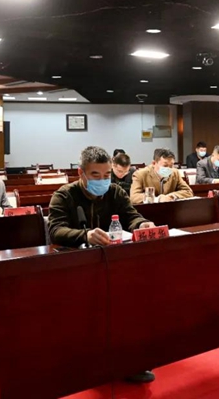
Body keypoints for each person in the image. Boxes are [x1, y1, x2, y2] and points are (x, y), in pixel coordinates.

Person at [47, 146, 156, 384]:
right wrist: (84, 235)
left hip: (114, 263)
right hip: (74, 266)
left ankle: (130, 361)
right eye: (95, 175)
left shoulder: (115, 191)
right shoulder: (64, 195)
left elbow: (131, 216)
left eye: (107, 175)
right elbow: (56, 230)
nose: (103, 180)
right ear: (81, 173)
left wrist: (142, 224)